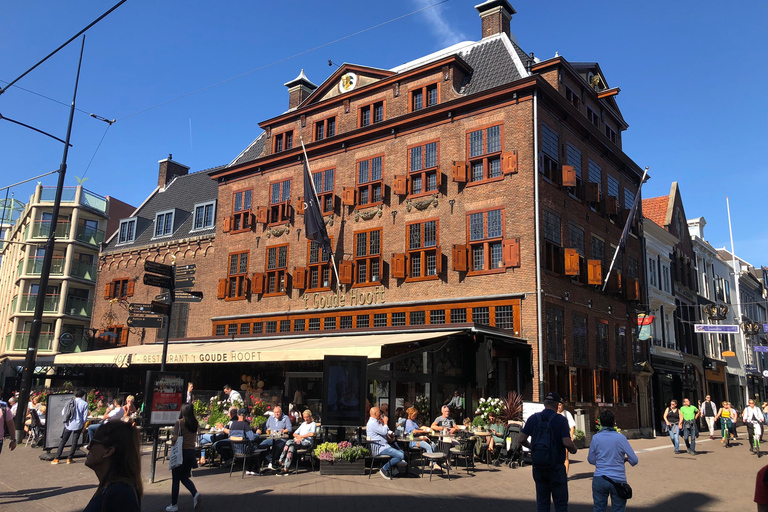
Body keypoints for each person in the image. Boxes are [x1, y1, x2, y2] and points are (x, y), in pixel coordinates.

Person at [518, 392, 577, 512]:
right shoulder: (561, 420)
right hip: (556, 467)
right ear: (557, 405)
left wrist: (532, 448)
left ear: (544, 404)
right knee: (560, 504)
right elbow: (566, 442)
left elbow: (521, 439)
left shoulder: (533, 418)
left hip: (539, 466)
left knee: (543, 503)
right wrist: (573, 449)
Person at [83, 421, 142, 512]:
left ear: (108, 451)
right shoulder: (110, 487)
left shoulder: (120, 494)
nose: (88, 448)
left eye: (92, 443)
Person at [588, 410, 638, 512]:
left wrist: (601, 462)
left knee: (599, 508)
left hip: (600, 477)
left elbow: (591, 459)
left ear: (601, 423)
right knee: (618, 509)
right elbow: (634, 459)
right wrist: (625, 460)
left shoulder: (596, 438)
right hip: (618, 479)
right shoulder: (620, 438)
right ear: (614, 422)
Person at [166, 404, 201, 512]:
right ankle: (195, 493)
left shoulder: (179, 422)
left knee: (175, 479)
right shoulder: (195, 423)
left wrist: (172, 441)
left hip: (181, 452)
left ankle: (174, 504)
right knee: (185, 477)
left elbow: (176, 438)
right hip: (191, 452)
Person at [52, 389, 90, 465]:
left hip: (68, 424)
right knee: (75, 441)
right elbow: (85, 417)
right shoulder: (85, 404)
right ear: (82, 396)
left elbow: (63, 412)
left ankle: (57, 458)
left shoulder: (69, 402)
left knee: (63, 441)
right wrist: (83, 425)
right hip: (78, 424)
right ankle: (69, 458)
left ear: (74, 395)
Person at [367, 406, 404, 480]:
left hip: (385, 446)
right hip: (380, 448)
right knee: (400, 455)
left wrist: (391, 433)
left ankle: (393, 468)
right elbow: (383, 432)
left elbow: (384, 430)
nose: (380, 414)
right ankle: (385, 469)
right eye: (379, 412)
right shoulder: (372, 423)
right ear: (375, 413)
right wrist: (386, 422)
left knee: (401, 451)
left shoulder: (376, 422)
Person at [278, 409, 316, 475]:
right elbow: (294, 433)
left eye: (307, 417)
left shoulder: (313, 424)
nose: (306, 419)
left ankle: (280, 460)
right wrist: (298, 437)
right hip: (299, 441)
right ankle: (286, 468)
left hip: (307, 442)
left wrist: (302, 436)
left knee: (289, 442)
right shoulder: (303, 424)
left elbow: (312, 434)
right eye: (304, 417)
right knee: (291, 447)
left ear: (310, 417)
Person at [557, 401, 576, 475]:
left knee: (565, 457)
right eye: (557, 405)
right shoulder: (553, 413)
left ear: (562, 405)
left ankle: (565, 475)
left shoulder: (566, 413)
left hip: (565, 438)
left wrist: (571, 435)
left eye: (560, 405)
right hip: (555, 438)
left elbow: (572, 426)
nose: (559, 407)